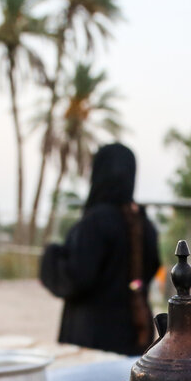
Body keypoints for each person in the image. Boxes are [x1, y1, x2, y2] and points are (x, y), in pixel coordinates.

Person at [39, 143, 160, 356]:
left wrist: (52, 256)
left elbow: (77, 277)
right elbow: (147, 273)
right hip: (134, 336)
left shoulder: (95, 222)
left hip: (92, 342)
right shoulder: (144, 224)